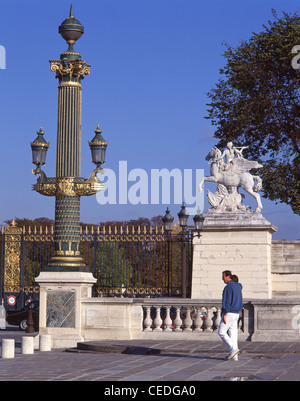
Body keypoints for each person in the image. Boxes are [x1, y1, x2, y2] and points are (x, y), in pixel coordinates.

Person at [218, 270, 243, 361]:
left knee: (221, 332)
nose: (222, 279)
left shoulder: (228, 287)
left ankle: (233, 350)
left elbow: (226, 301)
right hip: (236, 313)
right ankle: (234, 356)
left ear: (227, 276)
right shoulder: (238, 286)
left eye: (223, 276)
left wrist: (224, 313)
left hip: (229, 312)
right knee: (233, 334)